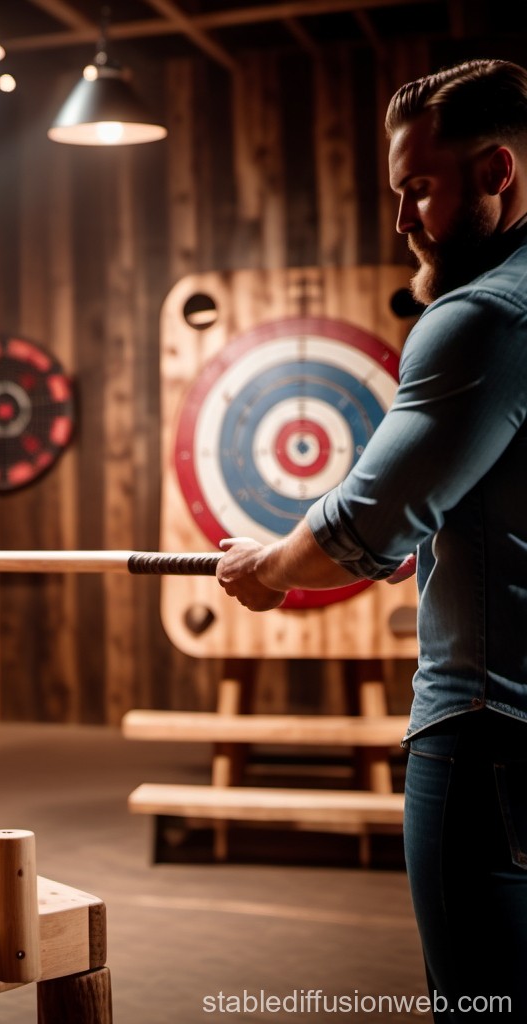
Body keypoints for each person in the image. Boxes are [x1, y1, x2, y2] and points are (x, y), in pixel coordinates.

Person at [215, 59, 527, 1021]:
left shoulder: (481, 315)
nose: (401, 221)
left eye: (419, 190)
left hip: (485, 733)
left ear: (498, 173)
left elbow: (365, 522)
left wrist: (270, 568)